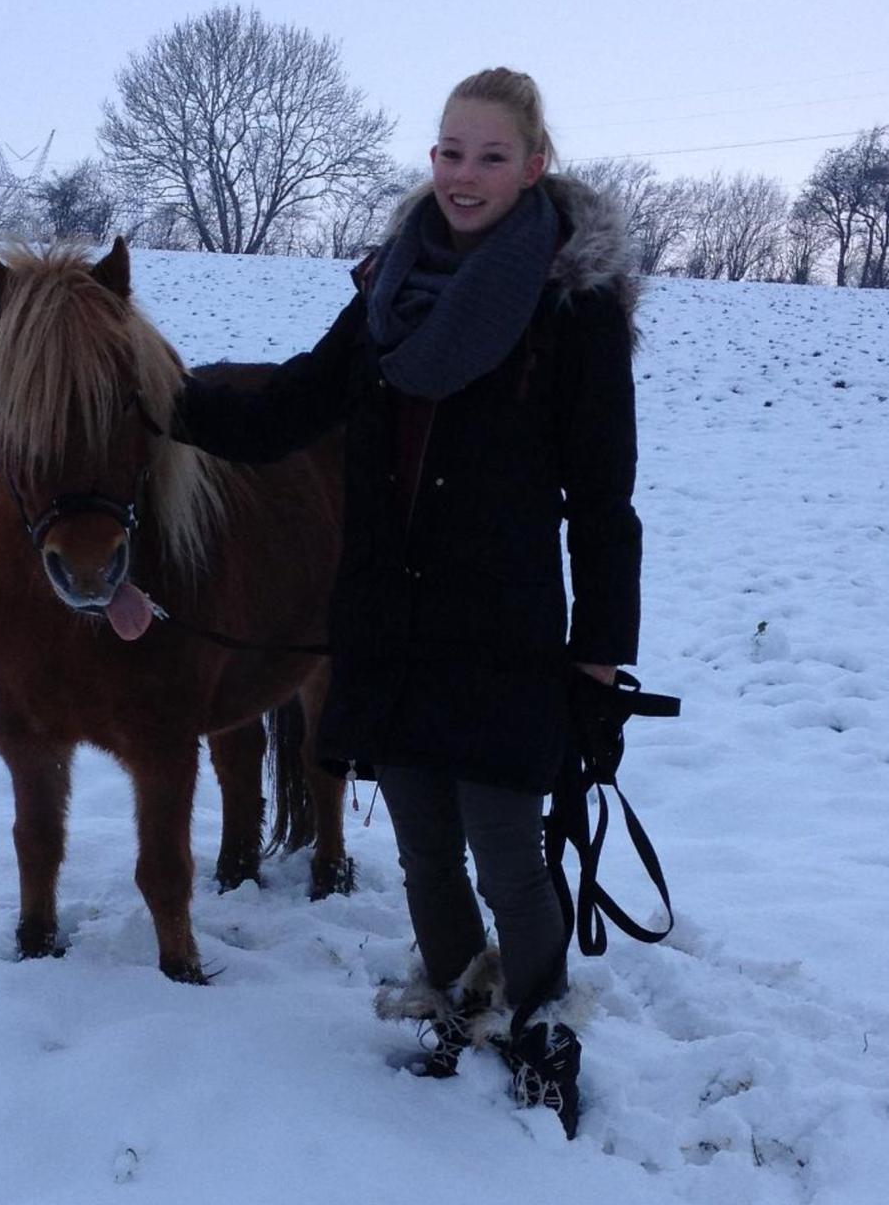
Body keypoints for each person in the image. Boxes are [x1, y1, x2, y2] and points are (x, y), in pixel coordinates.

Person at [170, 68, 642, 1138]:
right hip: (390, 616)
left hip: (505, 625)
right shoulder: (387, 289)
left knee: (507, 850)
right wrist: (158, 396)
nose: (463, 176)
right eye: (447, 153)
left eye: (488, 156)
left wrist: (601, 655)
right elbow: (292, 404)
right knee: (423, 845)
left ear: (534, 166)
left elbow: (604, 502)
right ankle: (452, 999)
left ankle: (534, 1025)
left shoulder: (572, 313)